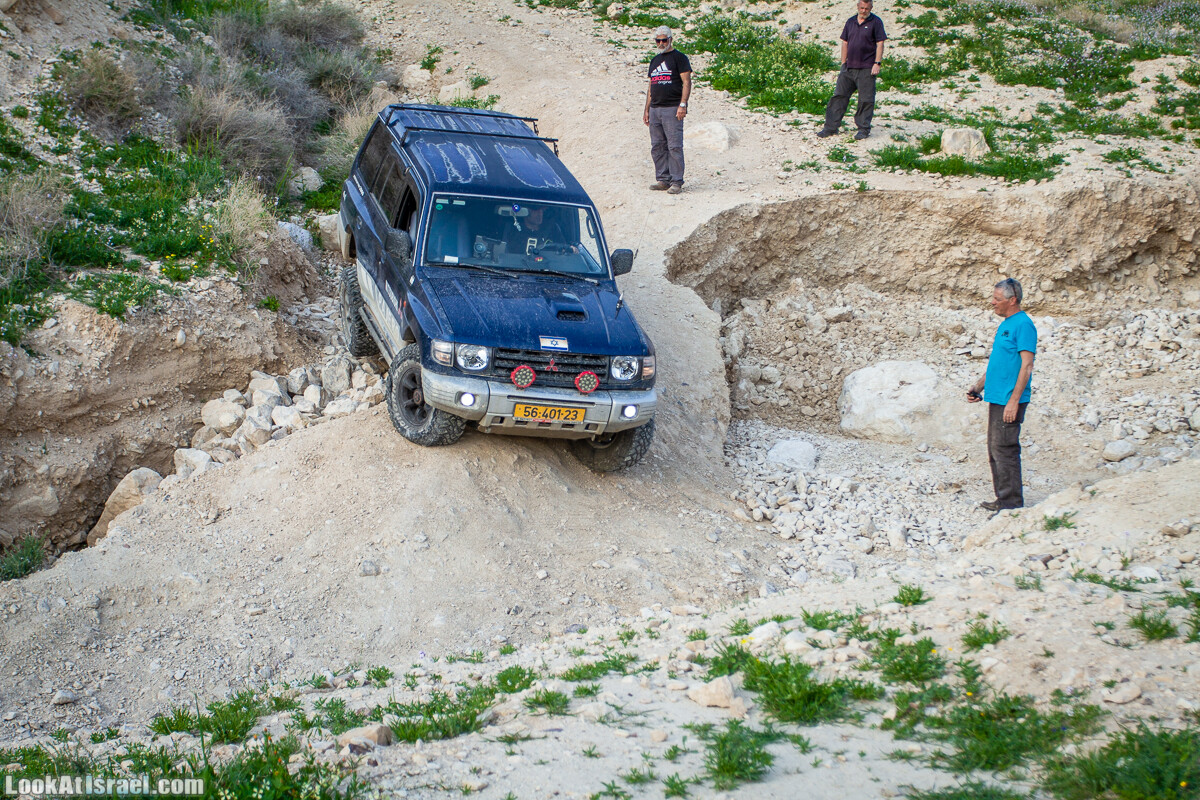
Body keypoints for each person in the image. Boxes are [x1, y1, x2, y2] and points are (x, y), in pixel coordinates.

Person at [967, 278, 1038, 512]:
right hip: (997, 397)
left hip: (1009, 399)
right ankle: (1003, 499)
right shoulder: (1006, 324)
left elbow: (1026, 365)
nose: (992, 302)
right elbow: (999, 363)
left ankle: (1011, 505)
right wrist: (978, 387)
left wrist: (1014, 402)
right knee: (995, 449)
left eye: (997, 299)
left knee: (1005, 449)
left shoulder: (1023, 325)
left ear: (1012, 300)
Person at [817, 0, 887, 141]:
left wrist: (877, 63)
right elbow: (845, 43)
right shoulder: (850, 22)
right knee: (839, 97)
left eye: (867, 8)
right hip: (849, 67)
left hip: (867, 68)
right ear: (857, 7)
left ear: (871, 8)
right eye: (861, 8)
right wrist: (843, 63)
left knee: (866, 100)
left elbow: (880, 43)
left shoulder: (876, 22)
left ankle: (863, 129)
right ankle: (830, 127)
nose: (864, 11)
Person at [643, 26, 691, 195]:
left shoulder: (679, 58)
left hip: (672, 108)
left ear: (671, 39)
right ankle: (663, 179)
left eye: (664, 39)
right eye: (658, 40)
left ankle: (677, 181)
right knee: (657, 145)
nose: (661, 43)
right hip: (655, 108)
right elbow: (650, 86)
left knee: (674, 146)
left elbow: (686, 81)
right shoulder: (654, 61)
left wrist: (683, 104)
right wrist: (646, 109)